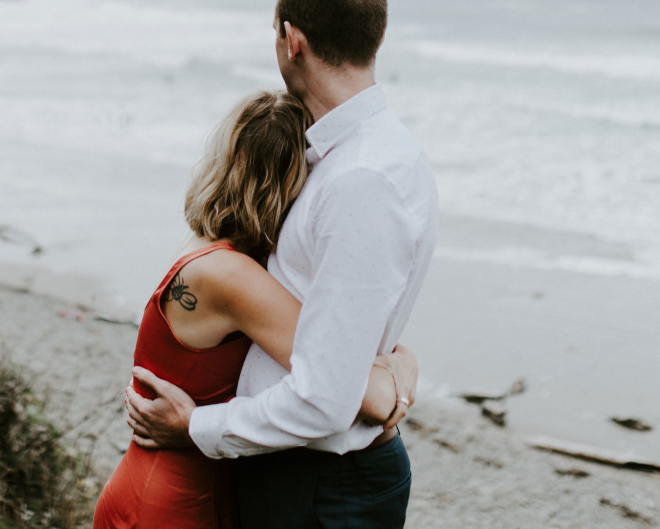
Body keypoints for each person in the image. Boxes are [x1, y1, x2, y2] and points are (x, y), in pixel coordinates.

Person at [126, 0, 439, 528]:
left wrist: (194, 428)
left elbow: (325, 398)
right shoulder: (359, 157)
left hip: (317, 485)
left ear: (291, 40)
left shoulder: (359, 180)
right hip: (296, 471)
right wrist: (398, 375)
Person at [93, 89, 419, 529]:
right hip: (175, 503)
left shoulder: (208, 245)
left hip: (169, 487)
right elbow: (373, 397)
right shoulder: (232, 279)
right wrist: (404, 367)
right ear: (295, 184)